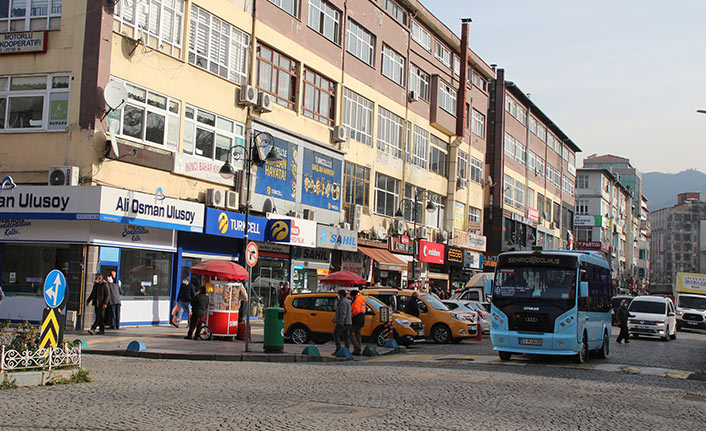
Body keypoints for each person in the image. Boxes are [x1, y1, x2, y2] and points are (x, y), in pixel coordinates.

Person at [349, 290, 366, 355]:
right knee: (357, 333)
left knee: (350, 333)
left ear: (353, 295)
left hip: (357, 318)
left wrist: (351, 316)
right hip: (361, 319)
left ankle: (357, 347)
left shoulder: (357, 300)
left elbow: (356, 310)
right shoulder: (361, 298)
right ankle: (358, 349)